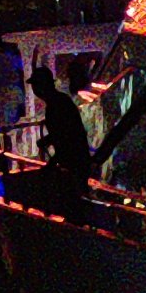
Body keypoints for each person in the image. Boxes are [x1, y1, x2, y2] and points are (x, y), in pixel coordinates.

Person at [29, 60, 92, 206]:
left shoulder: (56, 105)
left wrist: (53, 161)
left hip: (73, 162)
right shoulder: (60, 101)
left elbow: (66, 136)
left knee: (75, 201)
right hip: (76, 159)